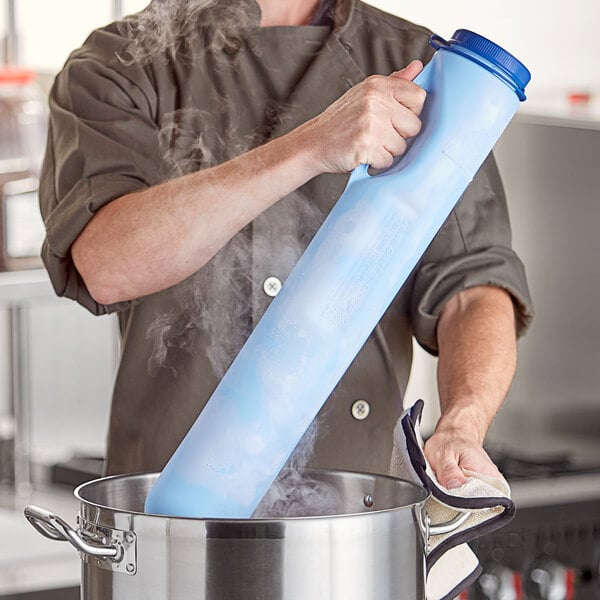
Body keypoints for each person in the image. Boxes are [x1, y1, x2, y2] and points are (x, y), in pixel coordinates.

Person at [39, 0, 533, 491]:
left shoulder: (416, 61)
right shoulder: (118, 62)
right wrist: (310, 145)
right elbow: (107, 264)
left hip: (357, 509)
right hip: (170, 515)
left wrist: (462, 423)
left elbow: (472, 288)